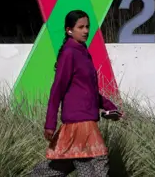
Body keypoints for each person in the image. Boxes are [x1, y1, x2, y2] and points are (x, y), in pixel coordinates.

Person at [30, 10, 122, 177]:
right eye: (81, 27)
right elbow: (57, 89)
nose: (86, 31)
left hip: (85, 120)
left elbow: (90, 91)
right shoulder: (69, 53)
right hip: (80, 123)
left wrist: (112, 108)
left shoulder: (83, 52)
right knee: (97, 164)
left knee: (59, 166)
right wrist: (50, 123)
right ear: (69, 30)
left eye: (87, 26)